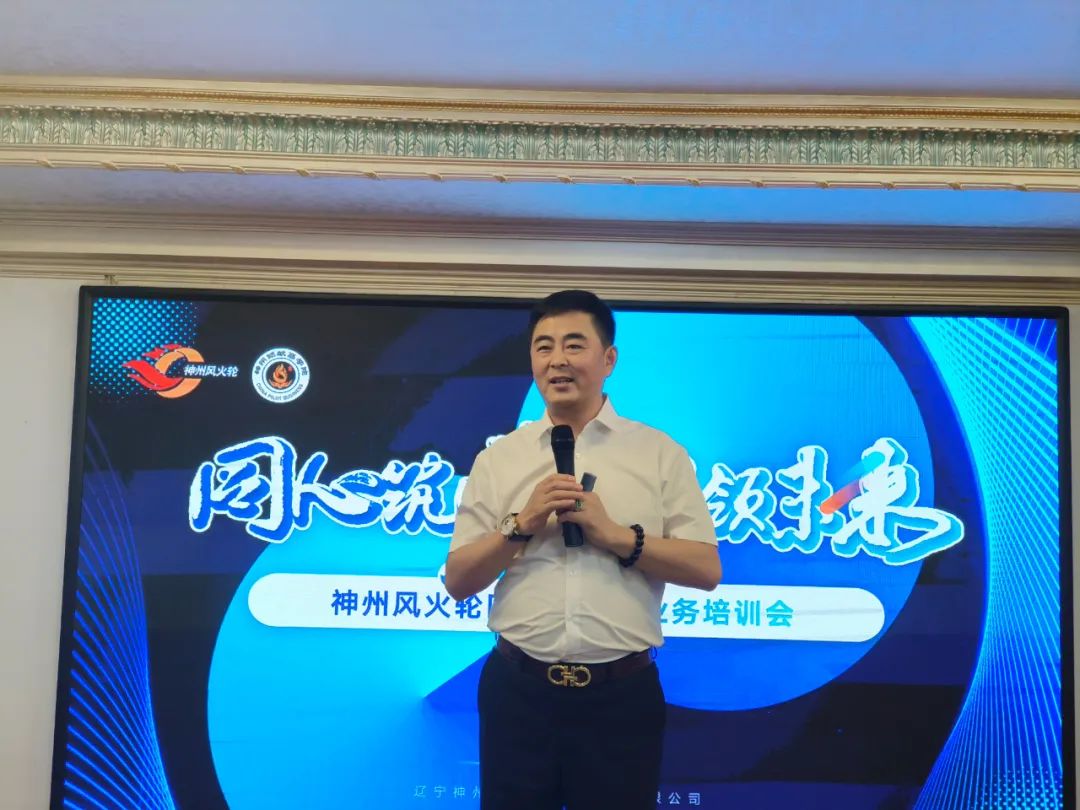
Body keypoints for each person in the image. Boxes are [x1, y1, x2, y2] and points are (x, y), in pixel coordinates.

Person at [445, 290, 720, 810]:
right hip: (518, 692)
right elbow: (458, 580)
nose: (558, 360)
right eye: (543, 346)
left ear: (608, 359)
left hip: (621, 697)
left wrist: (617, 537)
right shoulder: (499, 459)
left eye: (574, 345)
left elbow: (706, 568)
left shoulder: (659, 453)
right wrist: (521, 526)